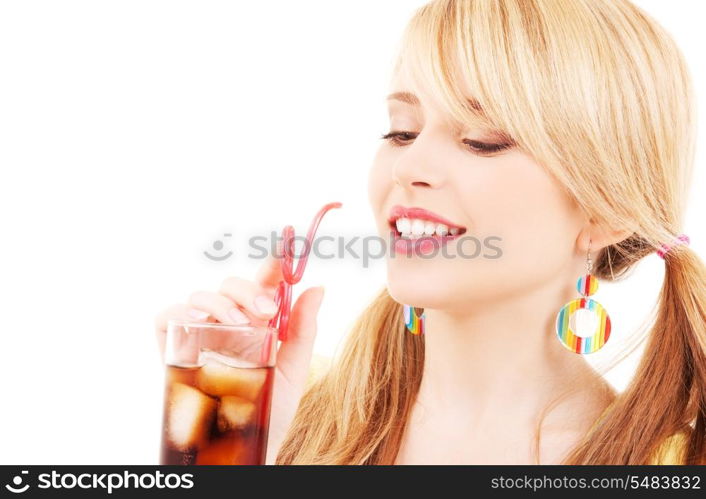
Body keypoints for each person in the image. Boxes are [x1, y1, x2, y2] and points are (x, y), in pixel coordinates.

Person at [155, 0, 706, 464]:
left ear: (606, 211)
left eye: (482, 139)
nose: (408, 166)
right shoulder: (288, 407)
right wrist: (232, 453)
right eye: (401, 131)